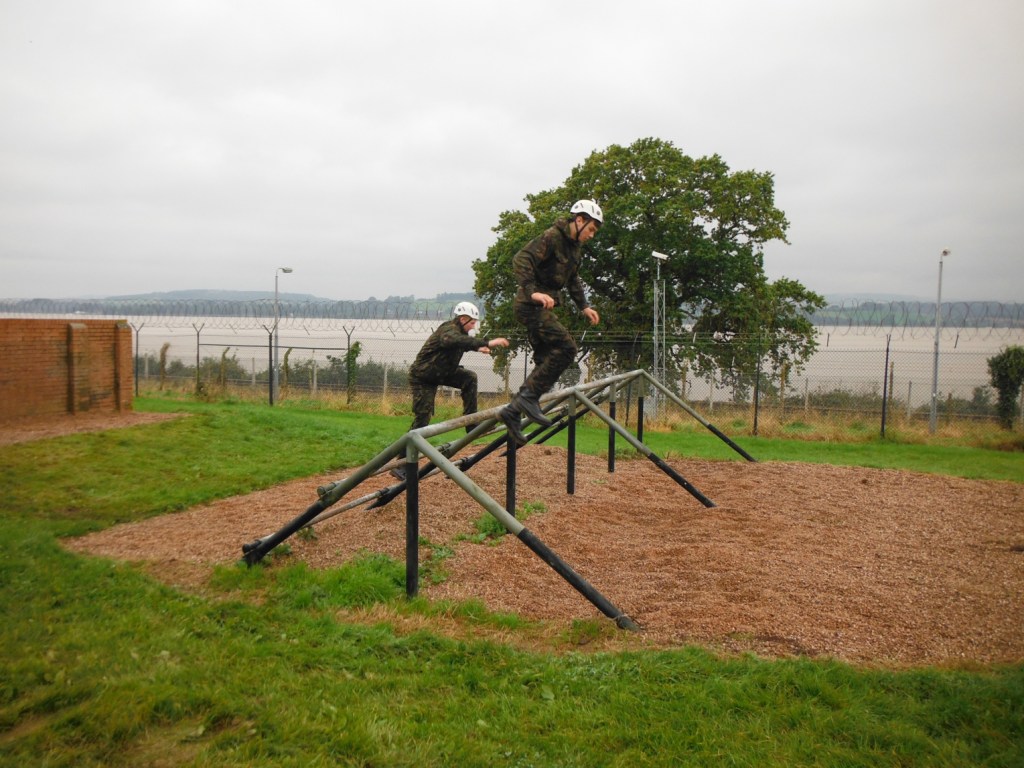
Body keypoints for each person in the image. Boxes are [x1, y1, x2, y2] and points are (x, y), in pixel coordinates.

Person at [499, 199, 603, 445]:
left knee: (546, 360)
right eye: (590, 229)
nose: (591, 235)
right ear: (579, 220)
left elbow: (573, 280)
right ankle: (527, 398)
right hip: (529, 304)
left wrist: (584, 306)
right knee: (568, 348)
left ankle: (513, 411)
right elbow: (521, 259)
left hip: (544, 307)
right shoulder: (552, 236)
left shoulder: (574, 249)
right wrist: (532, 291)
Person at [406, 301, 509, 432]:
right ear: (463, 319)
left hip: (443, 373)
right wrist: (487, 343)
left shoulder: (460, 334)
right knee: (423, 418)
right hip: (423, 377)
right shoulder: (448, 330)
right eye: (472, 323)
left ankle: (472, 424)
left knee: (469, 378)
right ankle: (405, 451)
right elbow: (454, 340)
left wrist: (478, 348)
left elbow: (462, 343)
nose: (473, 327)